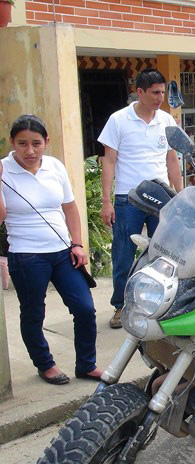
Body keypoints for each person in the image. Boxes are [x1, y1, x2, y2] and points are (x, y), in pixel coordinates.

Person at [0, 115, 103, 385]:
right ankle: (45, 364)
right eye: (22, 144)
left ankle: (87, 364)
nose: (30, 151)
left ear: (47, 142)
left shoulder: (55, 166)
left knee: (84, 308)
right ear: (13, 143)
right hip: (26, 255)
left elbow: (69, 207)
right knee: (34, 312)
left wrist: (77, 243)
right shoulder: (3, 170)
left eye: (36, 143)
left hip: (62, 252)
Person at [99, 69, 183, 329]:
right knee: (124, 254)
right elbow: (109, 161)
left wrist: (179, 197)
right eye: (155, 93)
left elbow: (172, 160)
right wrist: (107, 201)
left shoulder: (167, 121)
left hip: (161, 198)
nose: (160, 98)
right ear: (140, 92)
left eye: (163, 92)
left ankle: (160, 305)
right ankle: (120, 306)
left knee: (163, 255)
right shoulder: (118, 120)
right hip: (128, 199)